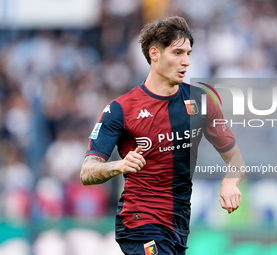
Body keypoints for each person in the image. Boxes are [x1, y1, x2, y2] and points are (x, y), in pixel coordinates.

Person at [80, 16, 245, 255]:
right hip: (139, 223)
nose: (186, 62)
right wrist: (119, 165)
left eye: (188, 53)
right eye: (177, 53)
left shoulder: (202, 101)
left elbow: (235, 159)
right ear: (154, 53)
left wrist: (230, 182)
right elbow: (87, 171)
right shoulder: (121, 109)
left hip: (178, 225)